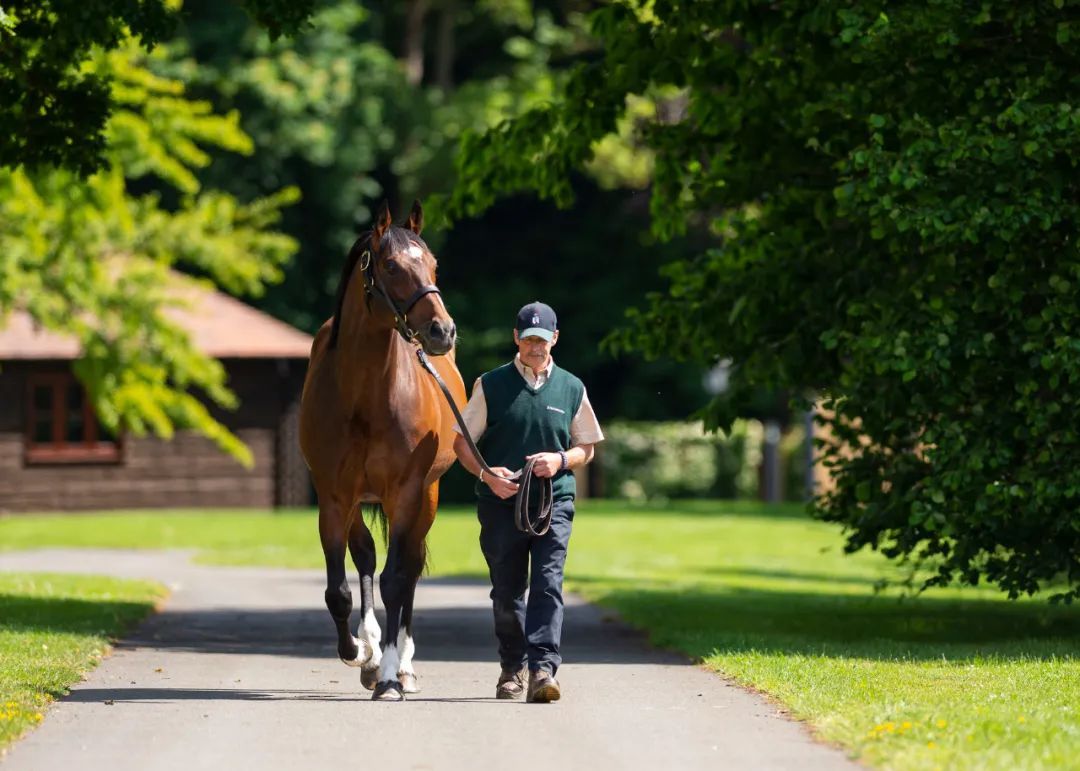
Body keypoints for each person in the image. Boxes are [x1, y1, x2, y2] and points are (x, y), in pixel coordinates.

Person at [452, 301, 604, 703]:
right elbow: (461, 443)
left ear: (555, 338)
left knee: (549, 584)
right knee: (506, 591)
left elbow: (586, 447)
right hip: (502, 504)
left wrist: (559, 460)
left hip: (554, 502)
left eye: (543, 339)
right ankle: (510, 667)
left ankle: (542, 669)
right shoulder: (492, 384)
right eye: (529, 339)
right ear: (516, 338)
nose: (536, 347)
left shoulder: (571, 387)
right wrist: (488, 475)